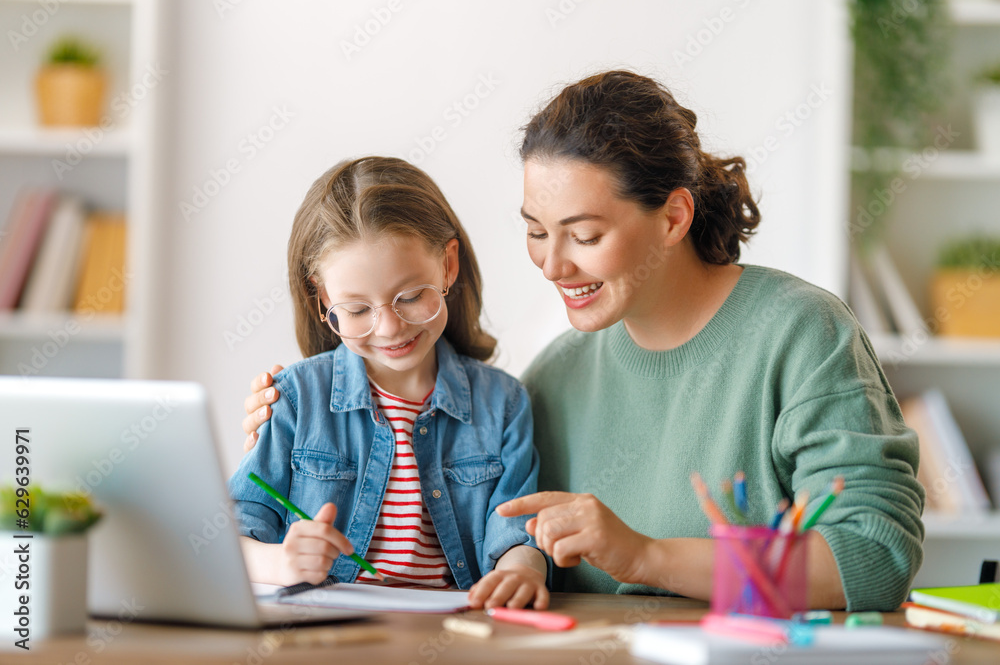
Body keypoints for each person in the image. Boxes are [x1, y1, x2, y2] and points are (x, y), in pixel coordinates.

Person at [242, 71, 924, 612]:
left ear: (673, 216)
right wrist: (295, 424)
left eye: (585, 235)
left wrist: (647, 556)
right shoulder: (553, 380)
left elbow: (873, 554)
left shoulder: (799, 334)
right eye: (537, 231)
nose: (553, 264)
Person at [229, 156, 548, 611]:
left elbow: (518, 532)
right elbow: (228, 535)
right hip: (326, 639)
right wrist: (282, 562)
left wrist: (521, 572)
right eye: (357, 310)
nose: (389, 328)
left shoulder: (503, 403)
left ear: (448, 265)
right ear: (322, 297)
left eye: (410, 297)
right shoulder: (296, 398)